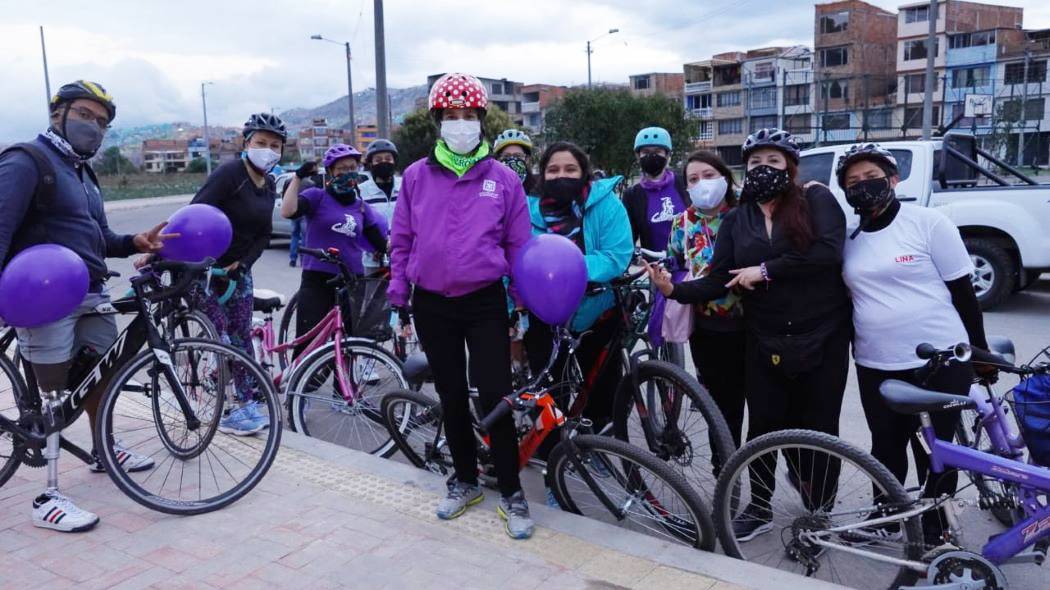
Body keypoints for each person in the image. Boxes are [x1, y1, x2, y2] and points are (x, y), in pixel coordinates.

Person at [648, 128, 851, 542]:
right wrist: (675, 290)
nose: (764, 170)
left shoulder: (814, 199)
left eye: (773, 162)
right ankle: (759, 506)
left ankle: (820, 510)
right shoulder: (739, 218)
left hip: (822, 337)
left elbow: (828, 251)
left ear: (790, 166)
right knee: (763, 426)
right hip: (765, 338)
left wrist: (766, 270)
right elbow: (719, 276)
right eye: (756, 163)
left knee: (818, 425)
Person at [0, 80, 175, 532]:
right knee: (54, 396)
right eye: (84, 114)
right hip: (43, 294)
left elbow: (95, 238)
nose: (93, 127)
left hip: (91, 292)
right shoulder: (27, 160)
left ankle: (103, 448)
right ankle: (49, 496)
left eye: (102, 122)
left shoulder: (83, 172)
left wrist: (132, 242)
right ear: (57, 113)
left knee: (102, 374)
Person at [388, 72, 535, 539]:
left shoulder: (502, 180)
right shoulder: (415, 176)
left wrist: (521, 303)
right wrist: (398, 295)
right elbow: (401, 240)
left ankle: (511, 490)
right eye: (451, 116)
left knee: (495, 395)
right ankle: (465, 481)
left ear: (481, 119)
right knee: (450, 395)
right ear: (438, 121)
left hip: (485, 302)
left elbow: (520, 247)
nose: (460, 124)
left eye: (468, 115)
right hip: (432, 303)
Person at [837, 143, 989, 545]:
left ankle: (938, 528)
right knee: (885, 444)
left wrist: (980, 353)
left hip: (941, 359)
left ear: (893, 179)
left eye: (871, 178)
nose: (862, 186)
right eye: (853, 182)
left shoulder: (928, 223)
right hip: (875, 360)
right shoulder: (849, 239)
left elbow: (964, 294)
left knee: (935, 449)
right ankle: (885, 516)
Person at [522, 142, 633, 500]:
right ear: (542, 174)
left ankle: (595, 448)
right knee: (549, 395)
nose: (561, 176)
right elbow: (517, 256)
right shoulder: (527, 210)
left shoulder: (606, 205)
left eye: (570, 170)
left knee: (603, 389)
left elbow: (617, 255)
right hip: (544, 315)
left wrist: (566, 268)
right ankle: (554, 466)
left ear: (584, 172)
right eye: (553, 170)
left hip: (597, 311)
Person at [187, 112, 287, 436]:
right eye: (261, 143)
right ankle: (218, 397)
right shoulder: (230, 174)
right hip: (205, 270)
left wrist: (242, 265)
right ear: (246, 143)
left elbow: (263, 235)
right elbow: (196, 212)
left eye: (275, 145)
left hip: (237, 273)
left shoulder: (270, 183)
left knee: (243, 340)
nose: (268, 150)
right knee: (223, 338)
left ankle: (244, 408)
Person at [666, 151, 746, 451]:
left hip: (754, 326)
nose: (702, 184)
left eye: (709, 176)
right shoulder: (681, 224)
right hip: (707, 330)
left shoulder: (746, 215)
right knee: (720, 411)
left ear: (725, 177)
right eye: (694, 179)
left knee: (762, 408)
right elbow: (673, 264)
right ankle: (724, 472)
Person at [281, 143, 387, 358]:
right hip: (318, 279)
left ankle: (346, 389)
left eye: (352, 168)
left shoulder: (361, 207)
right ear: (330, 172)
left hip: (352, 281)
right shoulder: (316, 196)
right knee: (310, 342)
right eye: (342, 169)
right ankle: (302, 387)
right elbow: (288, 211)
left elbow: (381, 244)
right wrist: (298, 177)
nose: (348, 173)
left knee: (349, 345)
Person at [623, 126, 688, 252]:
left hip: (691, 266)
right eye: (646, 152)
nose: (652, 156)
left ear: (668, 154)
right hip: (656, 268)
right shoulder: (632, 195)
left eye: (658, 151)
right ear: (638, 156)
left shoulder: (684, 183)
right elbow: (628, 239)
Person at [359, 138, 401, 274]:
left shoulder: (405, 185)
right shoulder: (361, 191)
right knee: (374, 294)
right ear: (370, 163)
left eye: (388, 158)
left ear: (394, 161)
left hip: (403, 257)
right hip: (373, 259)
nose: (384, 162)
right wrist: (372, 247)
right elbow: (358, 223)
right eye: (378, 159)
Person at [493, 129, 536, 196]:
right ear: (498, 159)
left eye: (518, 156)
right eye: (506, 156)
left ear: (527, 159)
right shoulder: (490, 191)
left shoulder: (538, 193)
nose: (512, 159)